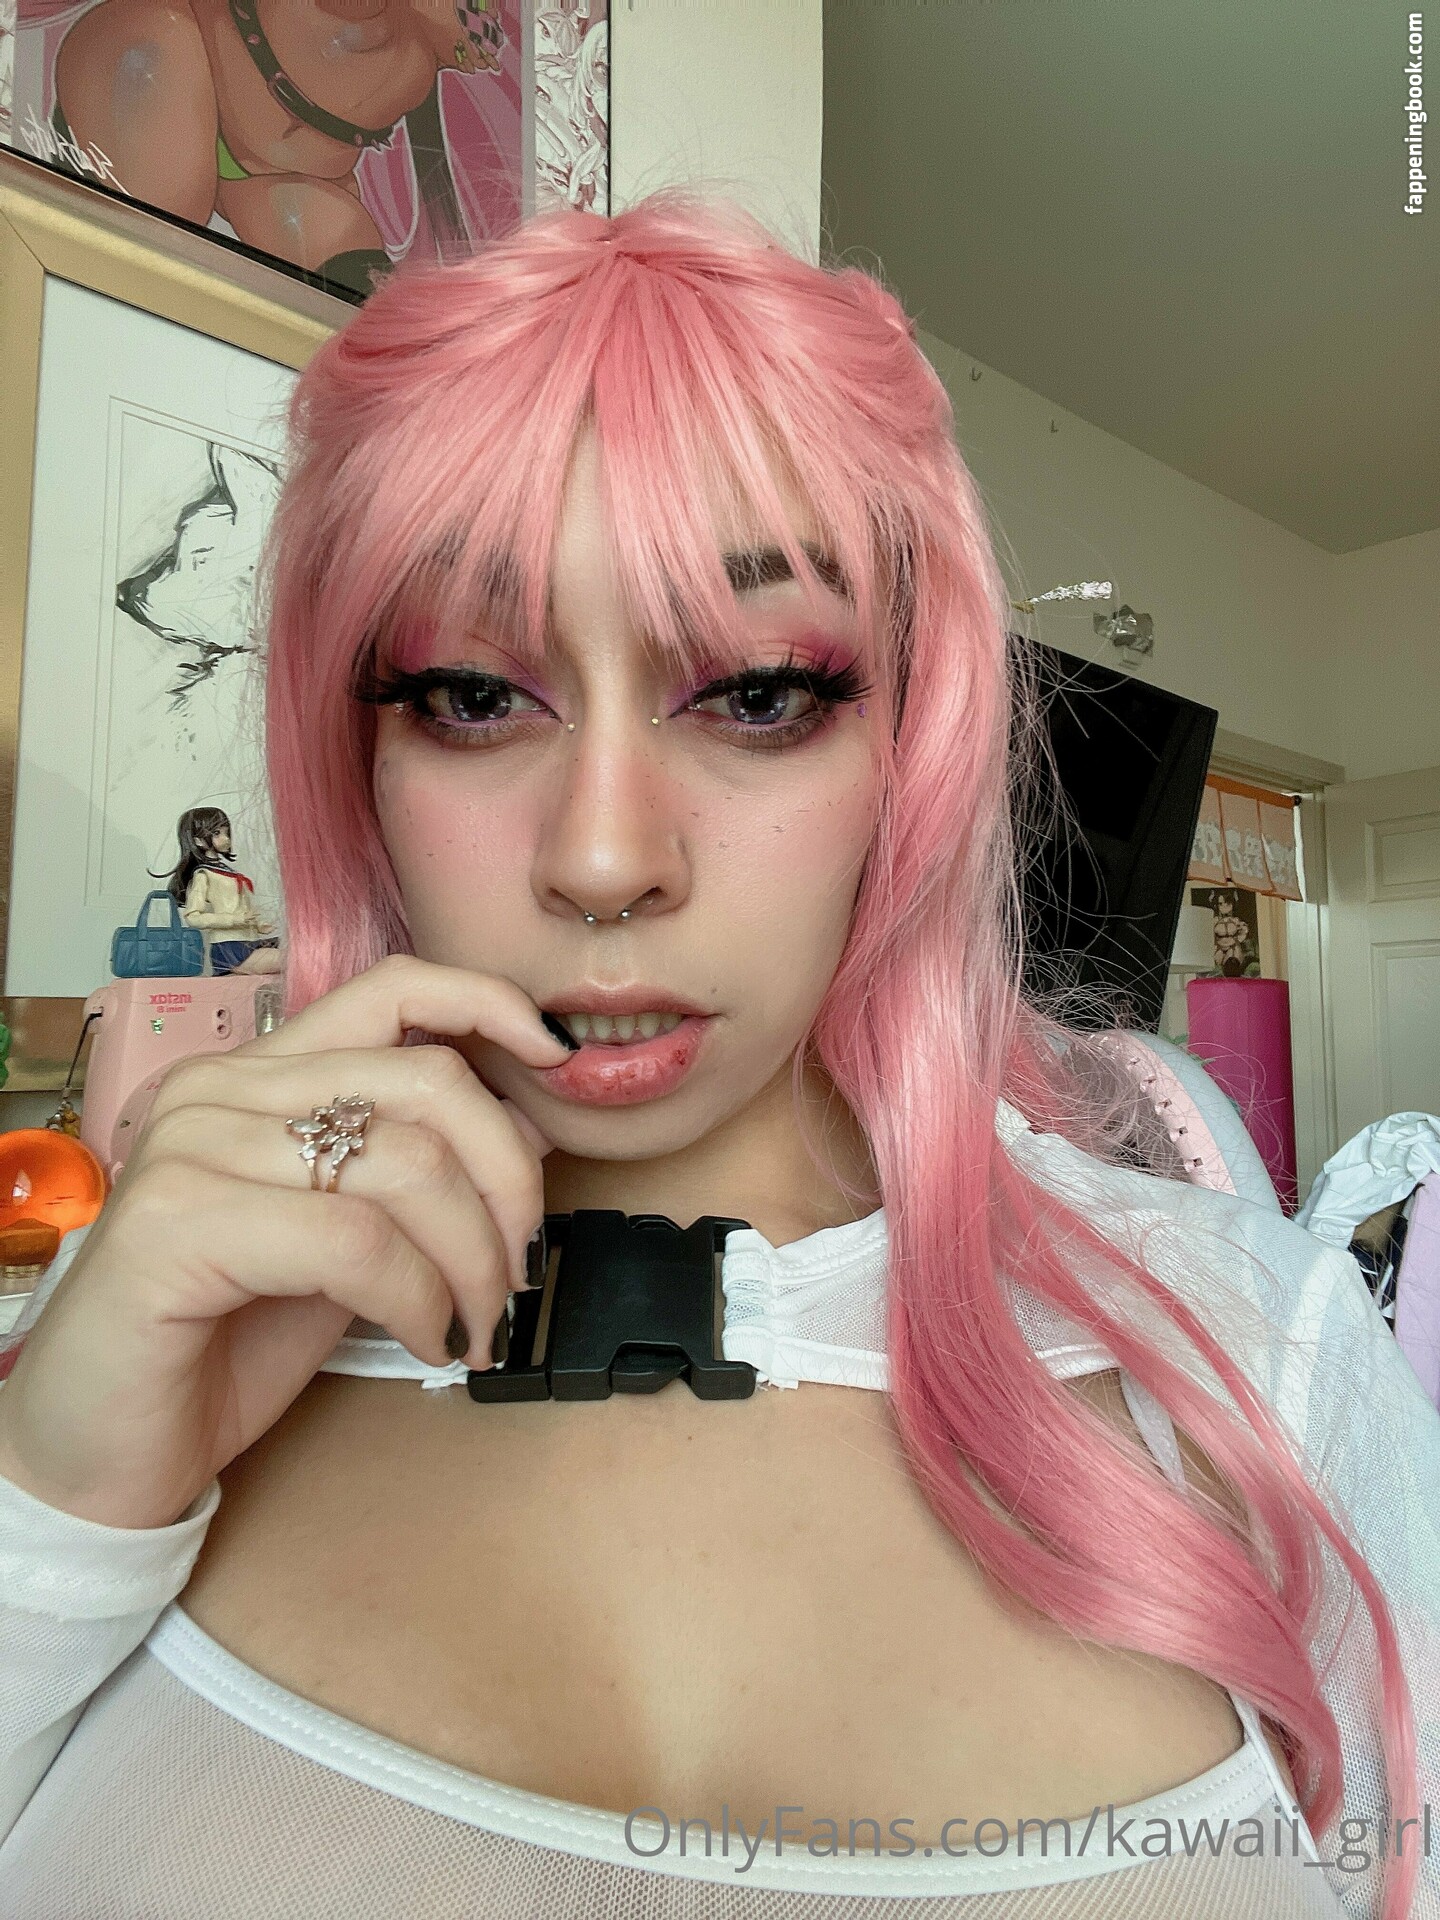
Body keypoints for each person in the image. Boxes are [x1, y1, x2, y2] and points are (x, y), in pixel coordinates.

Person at [1, 193, 1437, 1919]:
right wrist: (52, 1514)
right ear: (360, 754)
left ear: (910, 744)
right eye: (473, 694)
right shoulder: (143, 1341)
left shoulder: (1258, 1353)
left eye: (758, 692)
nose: (606, 860)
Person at [155, 805, 283, 976]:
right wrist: (234, 920)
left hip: (249, 940)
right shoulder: (203, 875)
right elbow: (193, 917)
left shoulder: (228, 872)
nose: (226, 838)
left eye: (226, 832)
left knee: (298, 949)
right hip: (230, 948)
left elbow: (236, 907)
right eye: (217, 833)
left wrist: (257, 925)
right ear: (198, 840)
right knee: (292, 958)